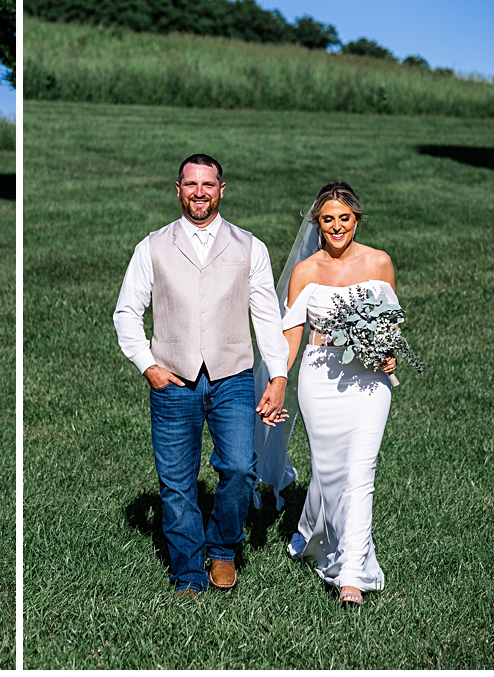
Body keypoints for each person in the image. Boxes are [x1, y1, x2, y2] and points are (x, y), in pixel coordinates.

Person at [112, 154, 289, 596]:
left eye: (207, 184)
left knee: (240, 469)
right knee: (175, 482)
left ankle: (224, 548)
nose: (199, 192)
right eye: (190, 184)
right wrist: (148, 365)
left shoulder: (251, 246)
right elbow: (126, 313)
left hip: (232, 377)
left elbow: (267, 318)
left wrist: (279, 377)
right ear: (178, 189)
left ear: (221, 190)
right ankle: (188, 572)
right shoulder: (151, 245)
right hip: (172, 379)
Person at [278, 182, 397, 607]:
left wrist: (389, 356)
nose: (336, 226)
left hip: (369, 383)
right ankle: (314, 536)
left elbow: (391, 326)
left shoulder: (380, 262)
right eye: (328, 219)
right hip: (320, 376)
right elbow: (291, 334)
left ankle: (352, 575)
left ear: (356, 220)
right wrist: (278, 381)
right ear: (318, 224)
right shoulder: (306, 271)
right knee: (329, 475)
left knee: (360, 472)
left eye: (344, 218)